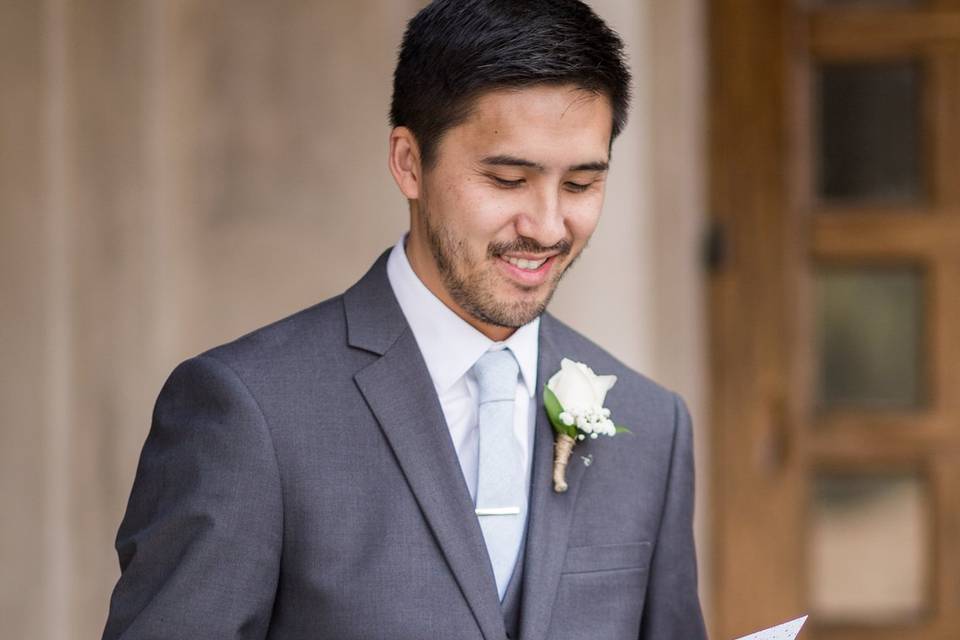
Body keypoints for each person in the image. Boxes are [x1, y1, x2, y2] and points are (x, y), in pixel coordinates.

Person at [101, 1, 707, 638]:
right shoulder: (249, 412)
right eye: (507, 179)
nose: (549, 227)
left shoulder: (653, 428)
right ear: (409, 162)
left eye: (581, 185)